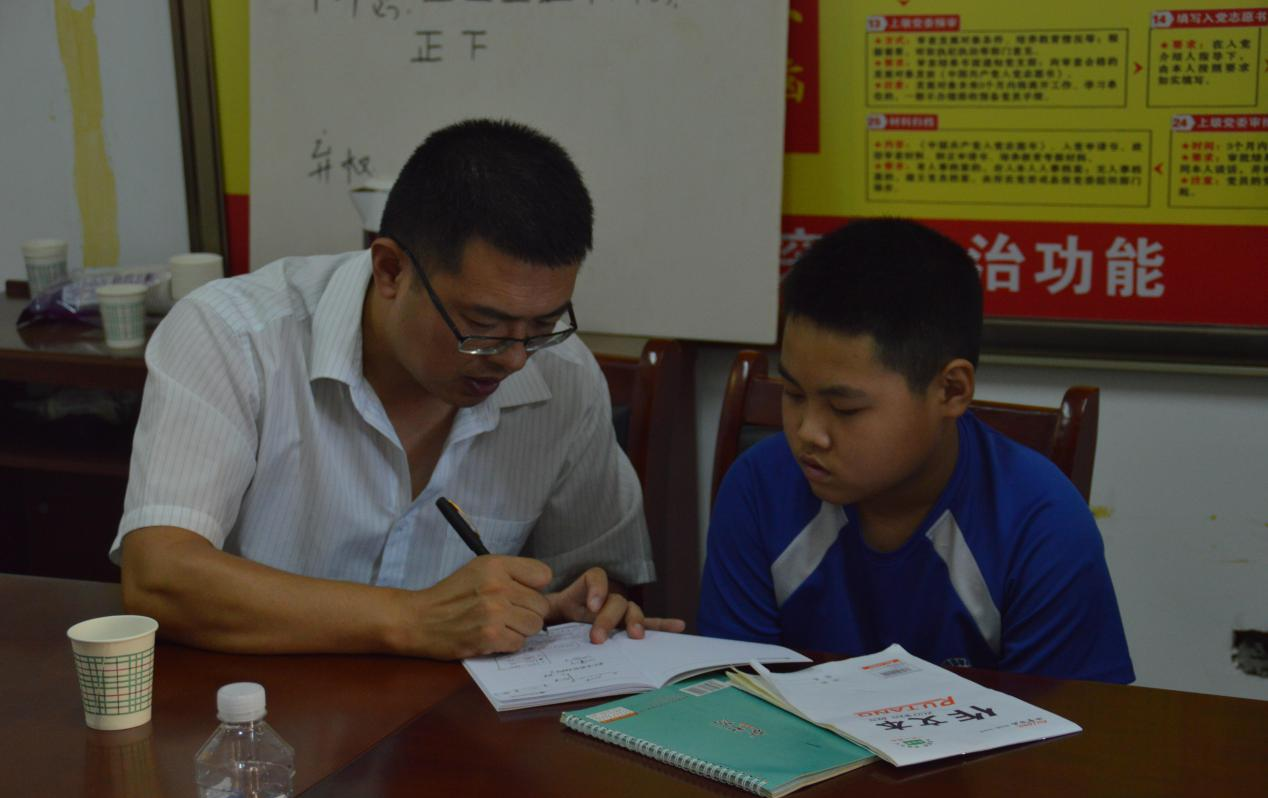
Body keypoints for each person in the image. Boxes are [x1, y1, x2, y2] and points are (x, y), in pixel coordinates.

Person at [114, 118, 683, 659]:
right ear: (390, 270)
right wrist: (412, 619)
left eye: (543, 324)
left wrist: (582, 605)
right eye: (482, 326)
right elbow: (159, 578)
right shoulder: (234, 337)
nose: (514, 359)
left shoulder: (563, 374)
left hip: (460, 718)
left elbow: (598, 577)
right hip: (254, 710)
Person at [697, 218, 1134, 683]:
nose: (808, 433)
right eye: (793, 394)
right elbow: (734, 692)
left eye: (844, 408)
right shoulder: (758, 490)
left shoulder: (1041, 526)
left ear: (951, 390)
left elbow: (1068, 720)